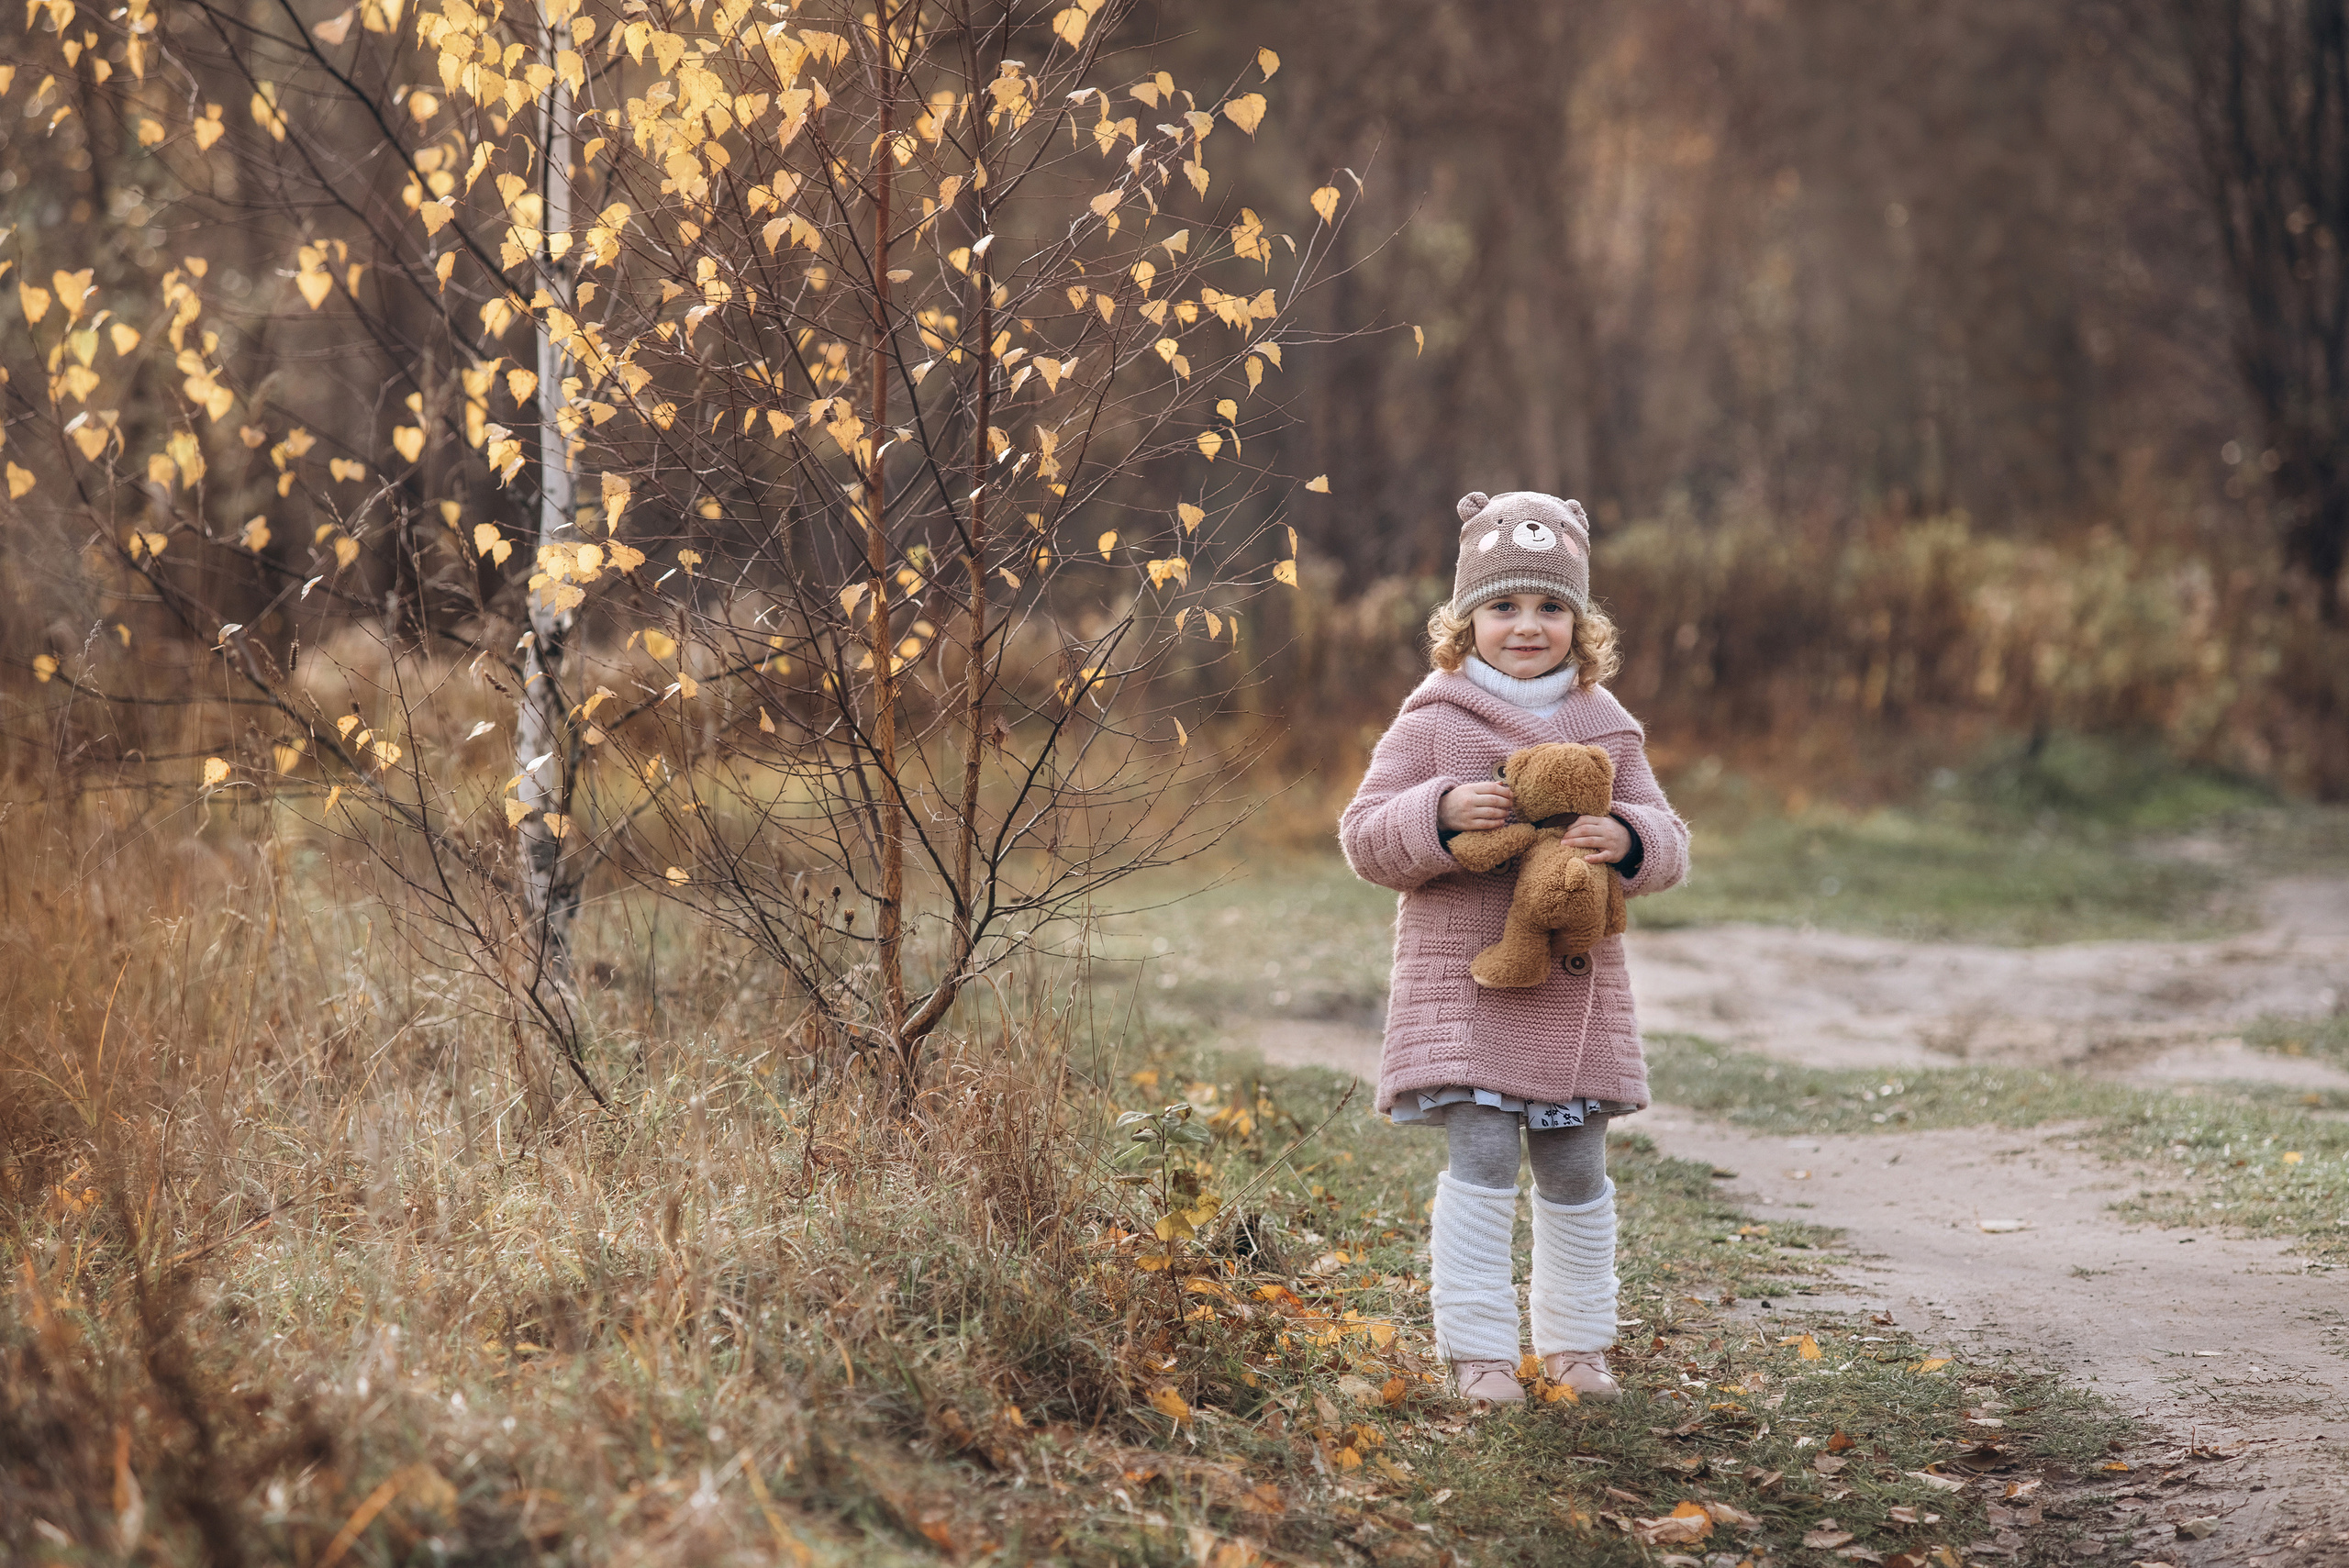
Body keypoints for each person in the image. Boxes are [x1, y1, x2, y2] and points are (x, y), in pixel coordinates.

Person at [1338, 491, 1689, 1408]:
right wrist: (1442, 812)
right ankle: (1479, 1350)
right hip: (1468, 985)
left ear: (1581, 624)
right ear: (1463, 623)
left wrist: (1629, 838)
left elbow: (1668, 837)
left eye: (1548, 607)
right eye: (1503, 606)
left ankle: (1577, 1344)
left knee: (1576, 1166)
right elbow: (1365, 835)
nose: (1525, 625)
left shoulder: (1604, 722)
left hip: (1575, 988)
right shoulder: (1432, 724)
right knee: (1484, 1158)